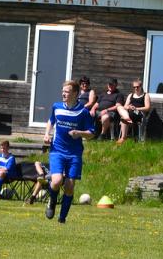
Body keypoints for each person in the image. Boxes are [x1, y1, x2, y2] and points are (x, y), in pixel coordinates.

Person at [44, 80, 95, 223]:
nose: (63, 94)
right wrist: (47, 134)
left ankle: (62, 219)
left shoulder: (83, 112)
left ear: (75, 94)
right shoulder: (57, 107)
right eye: (63, 91)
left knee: (69, 186)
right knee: (57, 180)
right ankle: (52, 202)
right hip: (57, 150)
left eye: (66, 91)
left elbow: (91, 133)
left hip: (74, 153)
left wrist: (79, 133)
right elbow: (51, 121)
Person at [116, 79, 151, 145]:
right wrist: (129, 107)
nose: (136, 88)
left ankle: (123, 138)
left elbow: (147, 107)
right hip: (130, 112)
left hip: (139, 113)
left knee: (124, 117)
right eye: (134, 87)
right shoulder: (131, 95)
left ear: (141, 86)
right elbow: (125, 106)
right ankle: (127, 119)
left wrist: (136, 108)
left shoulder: (145, 95)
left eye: (137, 87)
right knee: (119, 107)